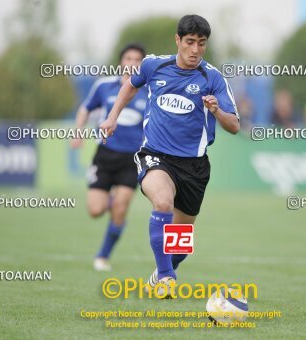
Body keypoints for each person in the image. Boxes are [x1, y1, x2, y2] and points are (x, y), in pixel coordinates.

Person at [99, 14, 240, 297]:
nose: (195, 49)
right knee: (162, 201)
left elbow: (234, 125)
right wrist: (112, 117)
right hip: (156, 155)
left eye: (201, 43)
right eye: (190, 42)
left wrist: (217, 111)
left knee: (180, 247)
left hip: (194, 166)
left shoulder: (212, 78)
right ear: (178, 40)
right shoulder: (154, 65)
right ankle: (165, 277)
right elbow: (129, 85)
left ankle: (159, 275)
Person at [70, 44, 148, 271]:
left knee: (121, 208)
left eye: (137, 59)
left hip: (132, 159)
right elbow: (85, 108)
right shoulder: (104, 86)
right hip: (104, 156)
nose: (132, 63)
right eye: (128, 58)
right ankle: (112, 202)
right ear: (121, 61)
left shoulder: (150, 90)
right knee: (95, 210)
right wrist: (78, 131)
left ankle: (103, 256)